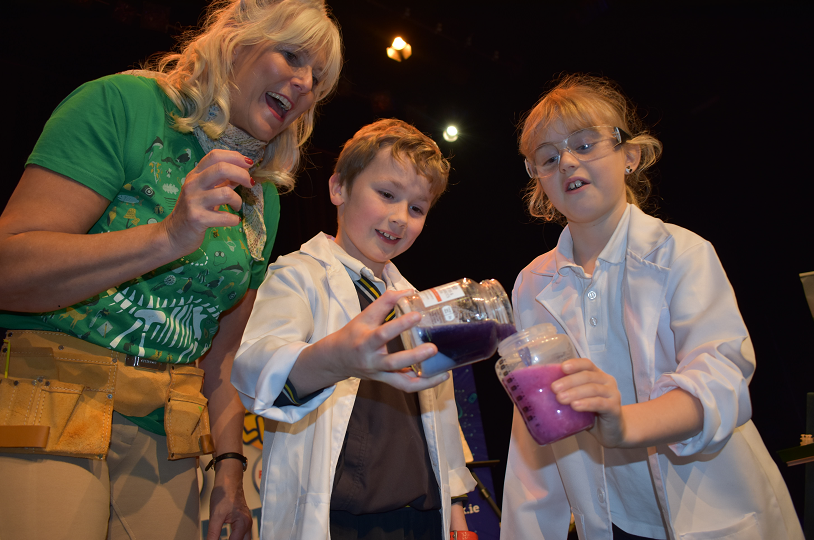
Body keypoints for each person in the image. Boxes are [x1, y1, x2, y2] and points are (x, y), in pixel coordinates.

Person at [0, 1, 341, 539]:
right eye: (292, 54)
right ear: (235, 39)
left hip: (168, 435)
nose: (303, 83)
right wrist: (166, 237)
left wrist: (229, 471)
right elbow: (9, 270)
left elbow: (223, 355)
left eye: (317, 78)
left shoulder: (263, 197)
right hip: (50, 400)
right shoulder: (121, 104)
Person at [499, 74, 804, 540]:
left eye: (584, 144)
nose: (567, 162)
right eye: (549, 157)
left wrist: (624, 423)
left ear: (630, 155)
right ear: (539, 182)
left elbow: (721, 379)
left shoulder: (682, 253)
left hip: (715, 509)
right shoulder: (530, 284)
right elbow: (537, 423)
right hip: (614, 522)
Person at [231, 118, 477, 540]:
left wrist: (455, 505)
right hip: (340, 519)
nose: (400, 218)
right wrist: (335, 358)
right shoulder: (299, 276)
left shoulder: (415, 301)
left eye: (417, 208)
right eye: (386, 194)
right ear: (339, 188)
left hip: (419, 516)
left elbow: (441, 413)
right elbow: (255, 370)